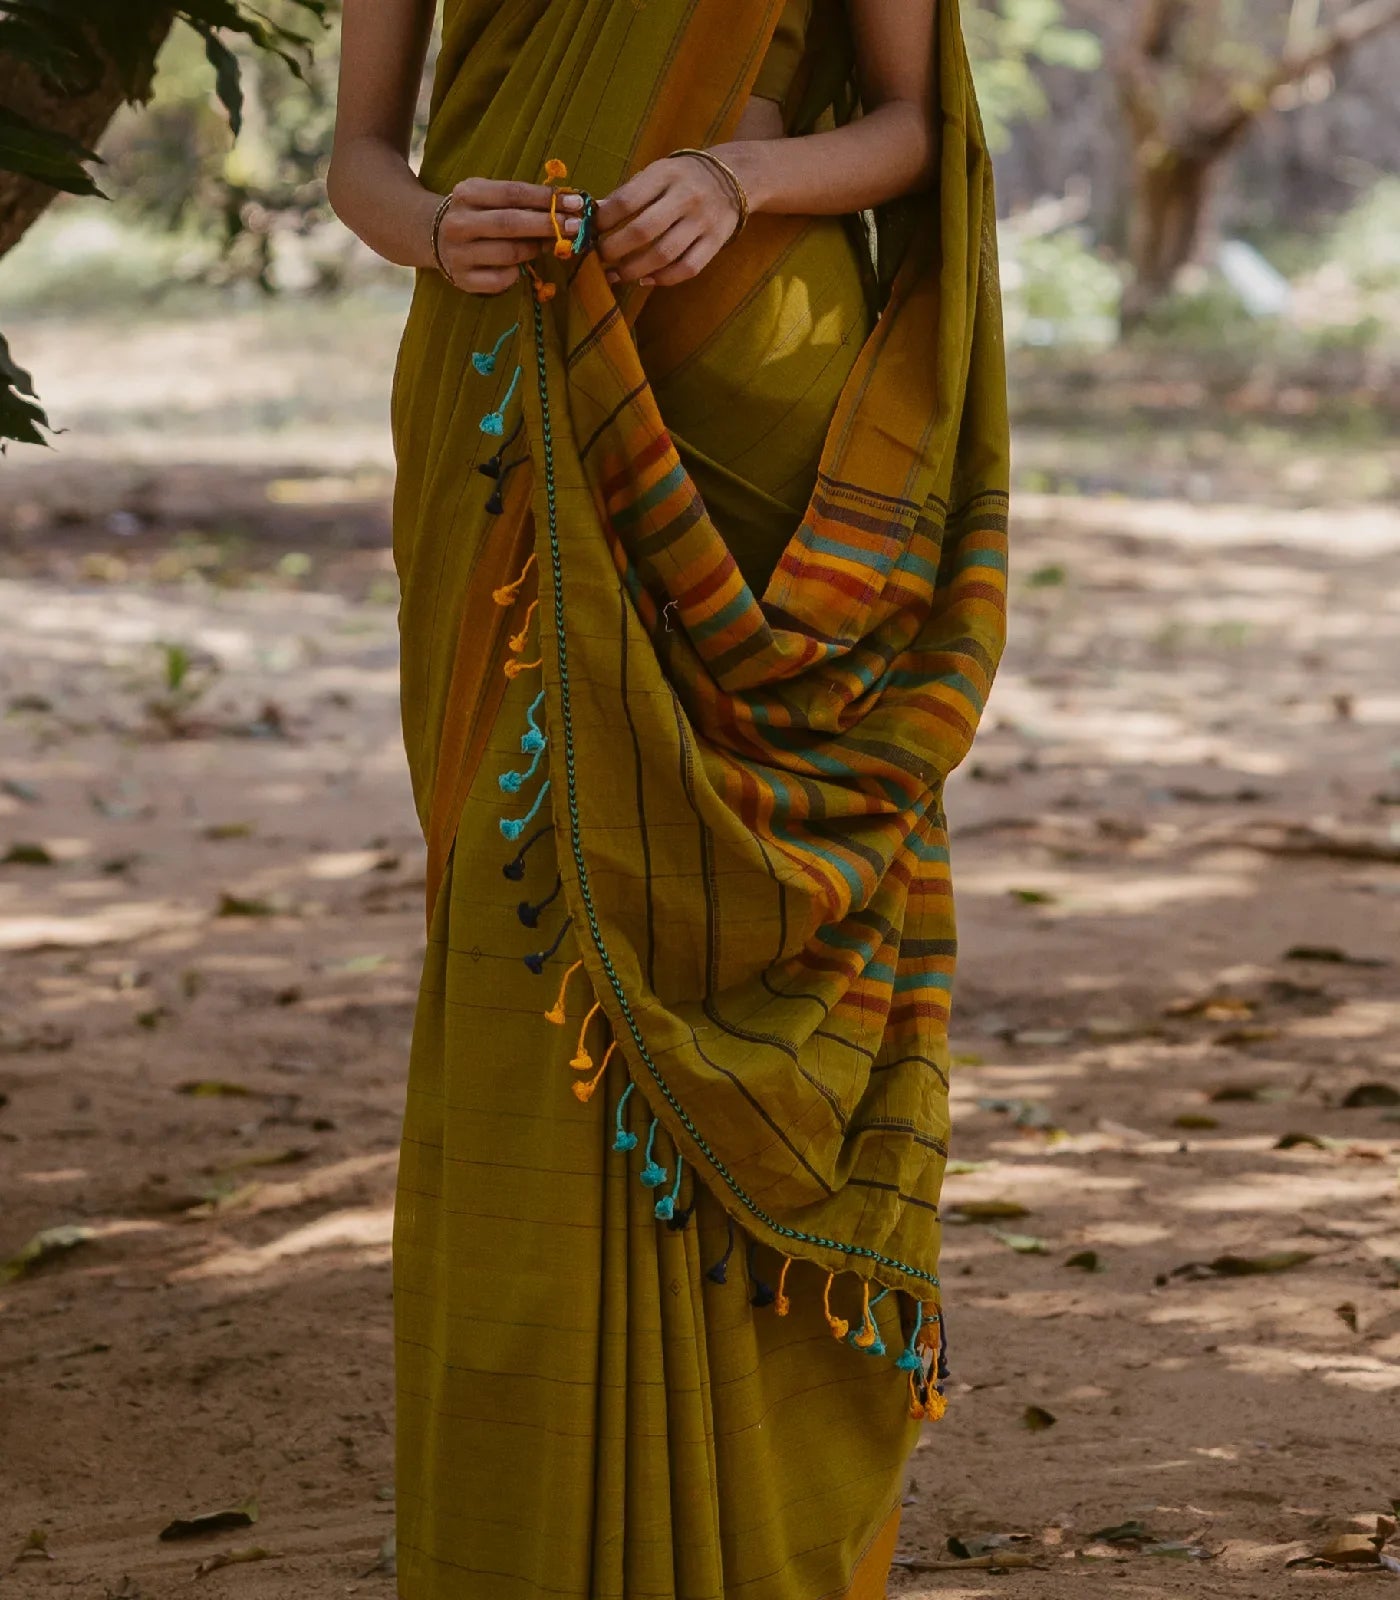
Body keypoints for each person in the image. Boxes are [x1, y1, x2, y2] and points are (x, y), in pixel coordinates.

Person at [329, 1, 1009, 1595]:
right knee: (521, 939)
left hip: (768, 454)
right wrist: (436, 226)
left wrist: (734, 179)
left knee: (749, 941)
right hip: (512, 409)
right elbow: (360, 159)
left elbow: (915, 126)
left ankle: (756, 1527)